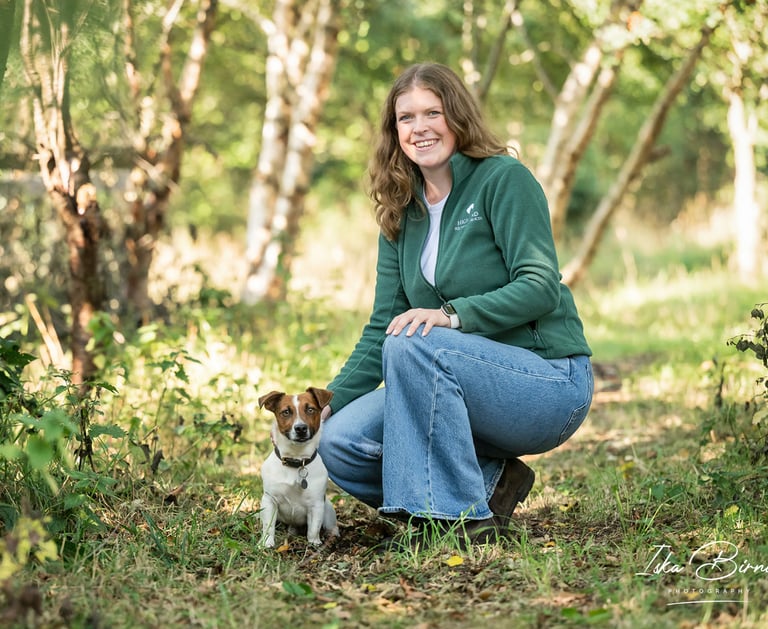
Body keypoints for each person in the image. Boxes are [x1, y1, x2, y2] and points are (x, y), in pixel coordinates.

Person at [318, 62, 593, 546]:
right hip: (452, 384)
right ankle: (490, 485)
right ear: (394, 131)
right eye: (406, 118)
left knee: (415, 342)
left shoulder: (503, 179)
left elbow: (539, 286)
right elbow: (384, 325)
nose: (419, 128)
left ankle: (445, 521)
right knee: (340, 441)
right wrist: (327, 402)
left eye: (433, 113)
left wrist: (451, 316)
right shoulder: (401, 207)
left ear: (457, 117)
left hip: (547, 382)